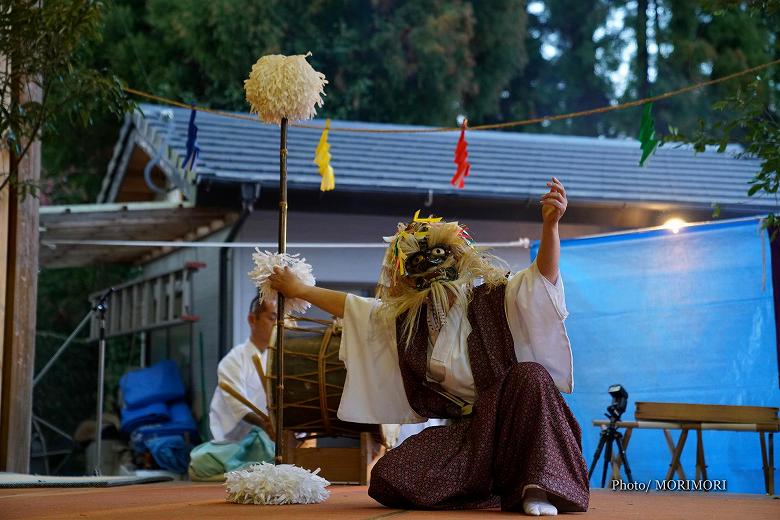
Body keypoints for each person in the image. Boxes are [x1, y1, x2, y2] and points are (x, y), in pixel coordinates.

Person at [269, 177, 588, 516]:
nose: (432, 275)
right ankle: (493, 485)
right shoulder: (410, 322)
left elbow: (542, 278)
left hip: (518, 429)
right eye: (419, 266)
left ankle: (535, 485)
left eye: (437, 259)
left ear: (457, 261)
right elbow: (354, 306)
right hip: (473, 436)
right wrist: (300, 289)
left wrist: (550, 225)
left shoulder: (495, 297)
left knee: (530, 376)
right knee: (389, 477)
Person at [188, 296, 276, 481]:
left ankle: (257, 470)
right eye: (273, 318)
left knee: (288, 455)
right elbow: (239, 407)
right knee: (201, 462)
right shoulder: (234, 360)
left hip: (277, 441)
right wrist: (266, 424)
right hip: (238, 442)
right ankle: (259, 468)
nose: (279, 325)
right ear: (252, 320)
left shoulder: (284, 358)